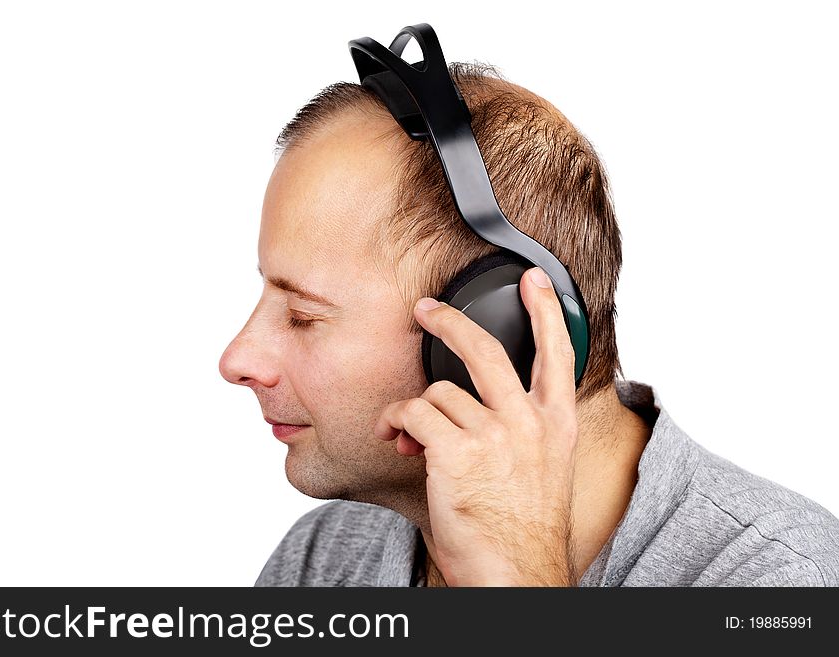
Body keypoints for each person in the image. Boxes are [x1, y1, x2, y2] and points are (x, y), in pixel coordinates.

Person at [219, 62, 839, 586]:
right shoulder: (325, 560)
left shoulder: (782, 579)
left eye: (302, 316)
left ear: (500, 331)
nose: (238, 359)